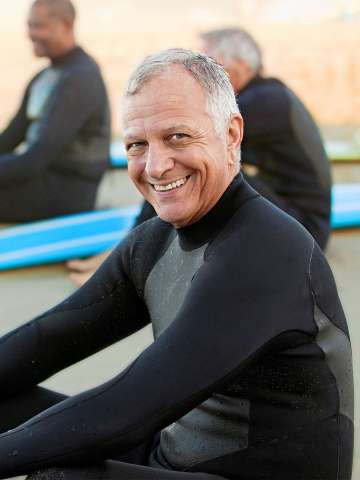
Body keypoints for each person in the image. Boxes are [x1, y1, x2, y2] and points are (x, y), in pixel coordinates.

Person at [0, 49, 353, 480]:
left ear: (232, 134)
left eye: (178, 137)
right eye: (137, 145)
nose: (156, 165)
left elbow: (129, 407)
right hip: (174, 454)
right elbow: (45, 341)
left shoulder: (267, 252)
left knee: (61, 477)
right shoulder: (152, 242)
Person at [200, 27, 332, 250]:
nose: (202, 75)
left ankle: (142, 241)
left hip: (305, 229)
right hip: (295, 217)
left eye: (211, 65)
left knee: (198, 165)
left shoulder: (263, 101)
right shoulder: (267, 94)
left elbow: (198, 137)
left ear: (243, 65)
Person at [0, 0, 110, 222]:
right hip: (40, 181)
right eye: (29, 25)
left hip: (67, 194)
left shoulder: (81, 77)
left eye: (39, 26)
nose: (31, 34)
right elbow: (9, 139)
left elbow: (34, 160)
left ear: (66, 25)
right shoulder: (44, 77)